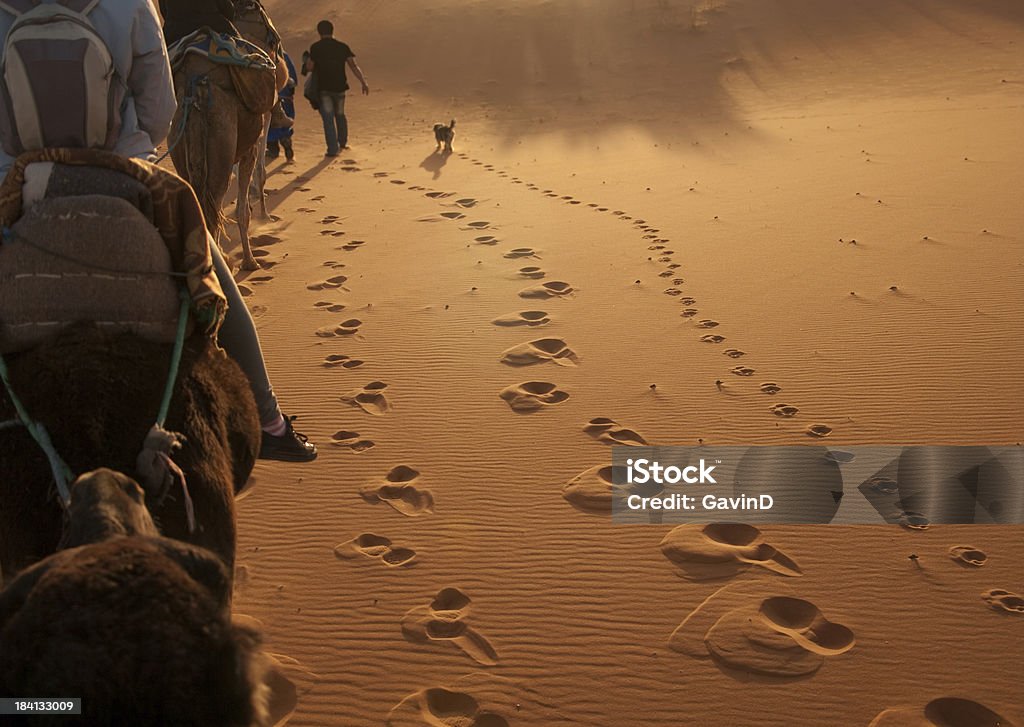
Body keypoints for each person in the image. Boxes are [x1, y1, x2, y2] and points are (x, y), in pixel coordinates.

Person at [0, 0, 317, 462]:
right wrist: (127, 146)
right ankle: (269, 422)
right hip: (125, 174)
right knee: (215, 283)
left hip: (16, 181)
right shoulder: (127, 3)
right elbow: (159, 110)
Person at [305, 19, 368, 156]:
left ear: (319, 32)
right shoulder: (342, 47)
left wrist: (306, 62)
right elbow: (353, 66)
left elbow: (310, 67)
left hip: (324, 89)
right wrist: (363, 81)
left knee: (328, 119)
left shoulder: (315, 47)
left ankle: (332, 150)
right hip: (340, 88)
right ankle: (343, 142)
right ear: (332, 31)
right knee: (340, 115)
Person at [158, 0, 239, 46]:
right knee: (243, 53)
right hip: (215, 26)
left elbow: (164, 11)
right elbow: (228, 10)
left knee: (157, 63)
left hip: (175, 32)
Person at [266, 51, 297, 162]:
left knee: (270, 125)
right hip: (286, 97)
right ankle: (287, 146)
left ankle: (273, 150)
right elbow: (293, 79)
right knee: (284, 127)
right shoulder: (285, 56)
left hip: (271, 97)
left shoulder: (263, 55)